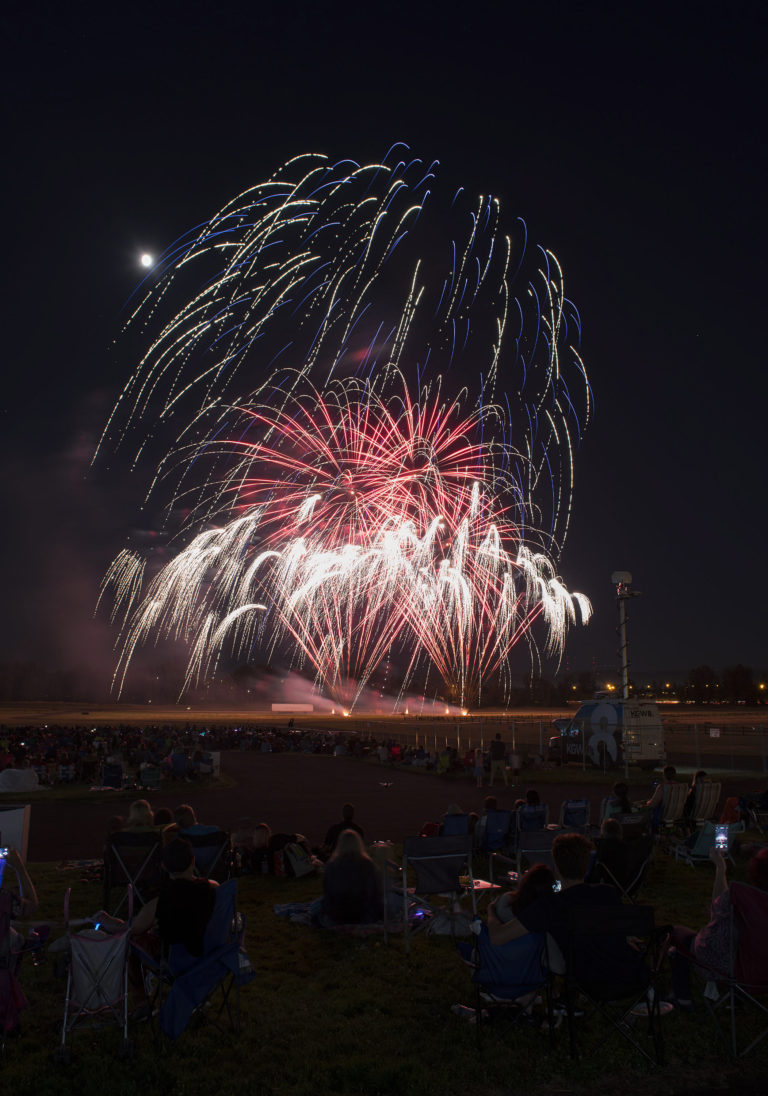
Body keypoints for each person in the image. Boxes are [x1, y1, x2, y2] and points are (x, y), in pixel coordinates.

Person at [487, 833, 646, 987]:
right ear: (586, 866)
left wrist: (491, 912)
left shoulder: (549, 905)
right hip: (629, 975)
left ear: (555, 866)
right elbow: (614, 927)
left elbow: (497, 937)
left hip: (587, 980)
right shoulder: (608, 893)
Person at [666, 847, 768, 1009]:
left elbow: (716, 908)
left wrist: (720, 868)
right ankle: (737, 998)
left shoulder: (744, 898)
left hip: (737, 971)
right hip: (763, 972)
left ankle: (682, 997)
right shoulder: (750, 908)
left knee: (677, 934)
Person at [317, 829, 383, 925]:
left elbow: (327, 890)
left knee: (317, 905)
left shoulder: (332, 865)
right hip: (363, 913)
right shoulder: (367, 864)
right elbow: (375, 890)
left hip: (337, 914)